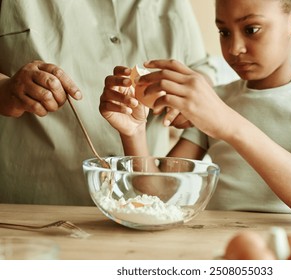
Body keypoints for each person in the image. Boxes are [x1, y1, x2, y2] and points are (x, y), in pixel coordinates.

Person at [100, 0, 291, 225]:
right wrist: (134, 133)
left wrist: (229, 124)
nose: (234, 49)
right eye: (224, 32)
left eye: (251, 29)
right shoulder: (217, 100)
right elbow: (158, 195)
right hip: (220, 245)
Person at [0, 0, 216, 205]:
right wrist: (6, 90)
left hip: (145, 204)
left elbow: (200, 69)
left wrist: (189, 99)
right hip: (33, 206)